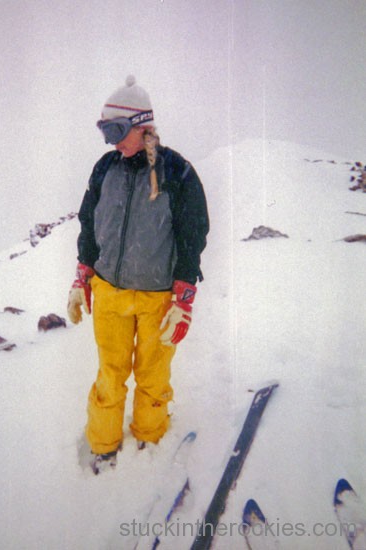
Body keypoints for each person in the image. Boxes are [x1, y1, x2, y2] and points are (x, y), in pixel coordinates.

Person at [67, 75, 209, 474]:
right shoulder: (105, 169)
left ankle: (149, 440)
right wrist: (82, 276)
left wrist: (184, 296)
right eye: (105, 132)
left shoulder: (175, 171)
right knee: (110, 376)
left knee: (152, 375)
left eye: (116, 131)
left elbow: (192, 232)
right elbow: (89, 224)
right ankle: (103, 447)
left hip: (157, 297)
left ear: (141, 124)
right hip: (109, 292)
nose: (112, 142)